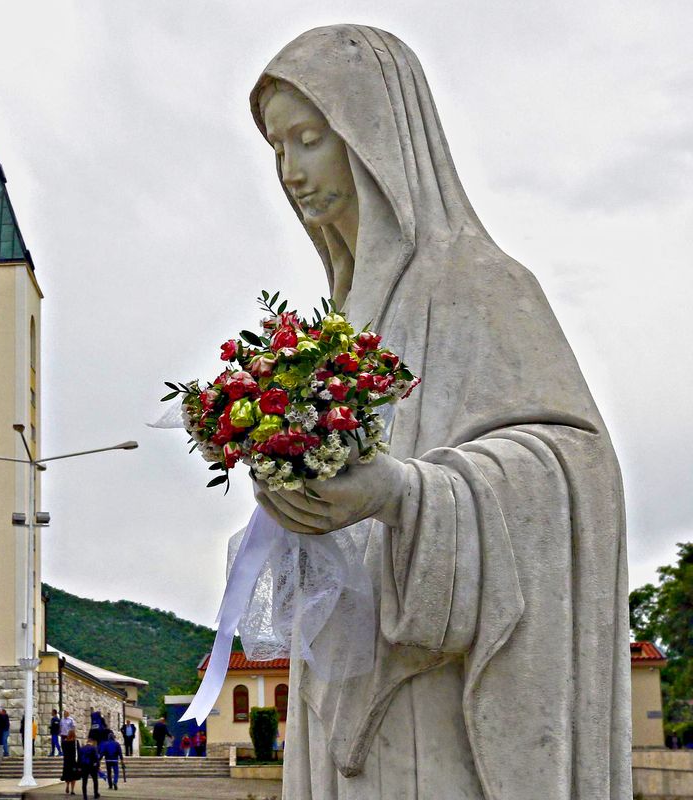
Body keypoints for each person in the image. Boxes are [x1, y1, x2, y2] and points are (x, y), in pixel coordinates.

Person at [227, 24, 632, 800]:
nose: (291, 172)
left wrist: (405, 495)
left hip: (443, 707)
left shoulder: (477, 284)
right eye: (279, 150)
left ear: (375, 136)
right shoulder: (346, 317)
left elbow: (577, 470)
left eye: (309, 139)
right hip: (353, 691)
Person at [61, 730, 79, 796]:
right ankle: (72, 790)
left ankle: (67, 785)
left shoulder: (64, 742)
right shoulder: (76, 742)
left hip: (66, 761)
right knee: (73, 776)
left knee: (67, 774)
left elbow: (63, 751)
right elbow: (78, 752)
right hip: (73, 761)